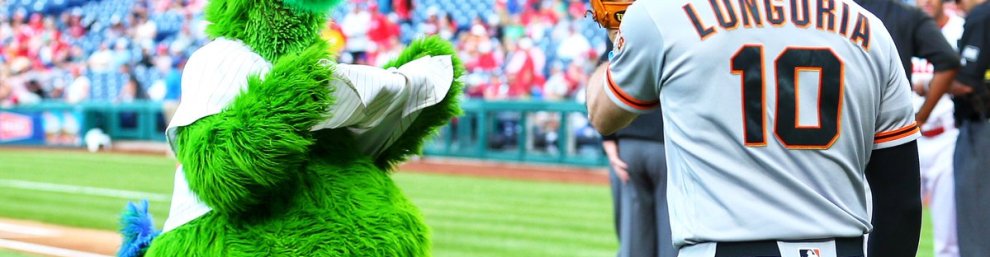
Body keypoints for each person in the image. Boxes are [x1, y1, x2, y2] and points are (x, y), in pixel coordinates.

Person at [585, 1, 921, 257]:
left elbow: (603, 114)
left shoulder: (662, 14)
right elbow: (902, 202)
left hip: (723, 247)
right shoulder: (871, 29)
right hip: (839, 248)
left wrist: (619, 34)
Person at [852, 0, 961, 255]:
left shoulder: (837, 14)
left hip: (864, 137)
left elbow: (949, 62)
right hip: (898, 134)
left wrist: (921, 115)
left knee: (868, 225)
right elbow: (948, 60)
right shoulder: (903, 15)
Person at [909, 0, 966, 256]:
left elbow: (971, 79)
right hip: (908, 138)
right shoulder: (903, 25)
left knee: (948, 237)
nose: (927, 1)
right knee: (894, 223)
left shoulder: (960, 29)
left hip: (947, 136)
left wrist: (929, 84)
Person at [599, 108, 675, 257]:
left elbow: (597, 98)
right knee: (671, 238)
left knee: (633, 242)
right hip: (670, 145)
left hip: (627, 144)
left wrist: (607, 139)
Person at [950, 0, 990, 255]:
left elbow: (965, 82)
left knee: (977, 231)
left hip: (982, 129)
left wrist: (929, 84)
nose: (957, 4)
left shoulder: (982, 15)